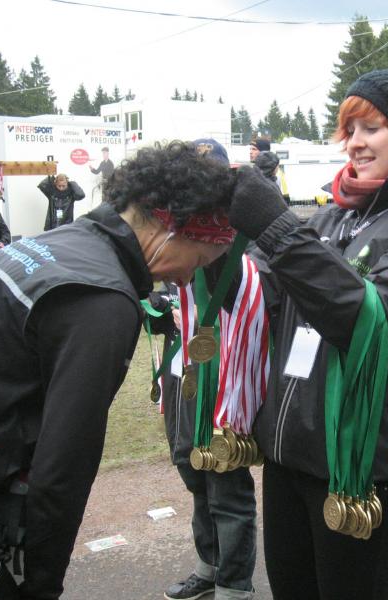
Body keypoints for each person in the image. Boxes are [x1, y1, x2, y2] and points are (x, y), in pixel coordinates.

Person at [0, 141, 236, 599]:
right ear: (172, 228)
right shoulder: (103, 297)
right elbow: (64, 464)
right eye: (198, 260)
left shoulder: (51, 245)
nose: (185, 279)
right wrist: (44, 584)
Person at [226, 69, 388, 599]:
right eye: (350, 130)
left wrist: (277, 228)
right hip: (287, 457)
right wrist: (208, 237)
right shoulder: (329, 221)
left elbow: (370, 321)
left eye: (371, 128)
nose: (355, 142)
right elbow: (255, 301)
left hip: (360, 473)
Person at [160, 139, 258, 600]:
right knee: (192, 468)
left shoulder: (245, 233)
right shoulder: (175, 229)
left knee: (225, 481)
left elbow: (255, 299)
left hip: (226, 372)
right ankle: (209, 567)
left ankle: (234, 585)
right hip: (185, 367)